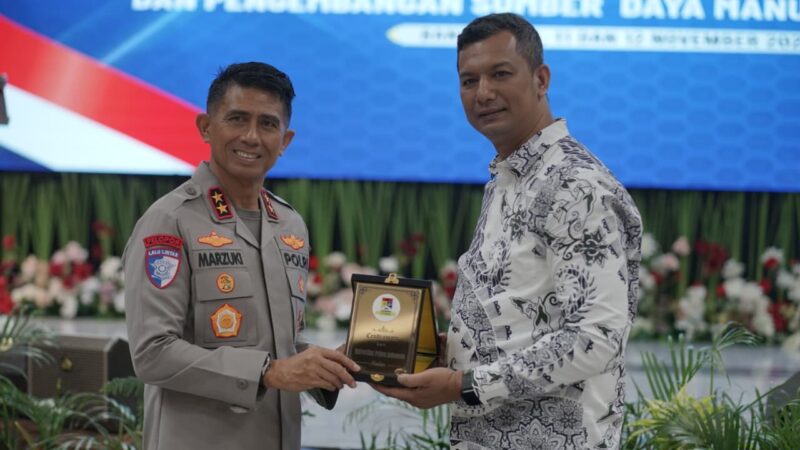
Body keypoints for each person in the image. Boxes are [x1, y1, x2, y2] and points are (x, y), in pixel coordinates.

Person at [372, 13, 642, 449]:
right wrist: (450, 352)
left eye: (500, 74)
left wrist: (465, 383)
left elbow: (596, 336)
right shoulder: (511, 177)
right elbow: (524, 318)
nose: (483, 94)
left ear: (541, 79)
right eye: (468, 80)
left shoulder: (575, 184)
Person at [123, 62, 360, 450]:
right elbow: (152, 353)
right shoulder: (170, 220)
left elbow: (277, 345)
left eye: (268, 124)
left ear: (285, 140)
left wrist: (320, 364)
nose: (251, 137)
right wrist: (269, 372)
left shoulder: (289, 225)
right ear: (206, 126)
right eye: (237, 119)